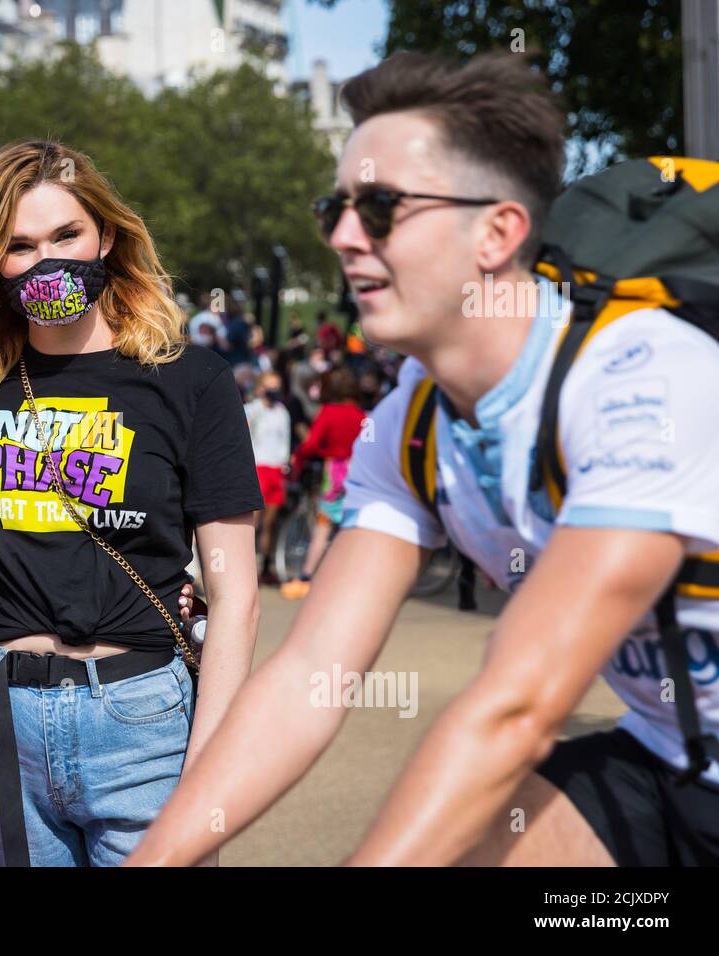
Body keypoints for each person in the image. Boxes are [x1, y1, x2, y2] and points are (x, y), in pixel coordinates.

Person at [127, 50, 719, 867]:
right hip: (665, 757)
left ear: (498, 230)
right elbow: (309, 677)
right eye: (334, 206)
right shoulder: (413, 421)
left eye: (379, 208)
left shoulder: (641, 380)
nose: (341, 236)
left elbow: (517, 707)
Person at [0, 139, 263, 866]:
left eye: (66, 235)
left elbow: (237, 593)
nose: (46, 260)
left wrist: (208, 765)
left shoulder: (191, 382)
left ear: (107, 237)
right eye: (18, 245)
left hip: (142, 724)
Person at [279, 366, 366, 599]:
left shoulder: (329, 412)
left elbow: (312, 443)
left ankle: (306, 577)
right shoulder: (361, 415)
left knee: (323, 525)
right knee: (351, 527)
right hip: (358, 473)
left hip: (335, 472)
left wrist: (301, 456)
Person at [244, 371, 291, 585]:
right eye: (270, 385)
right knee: (252, 520)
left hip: (276, 468)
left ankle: (264, 566)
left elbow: (285, 440)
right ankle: (246, 565)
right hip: (258, 466)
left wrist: (285, 463)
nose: (274, 390)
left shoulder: (282, 412)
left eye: (277, 385)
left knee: (270, 522)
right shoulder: (252, 409)